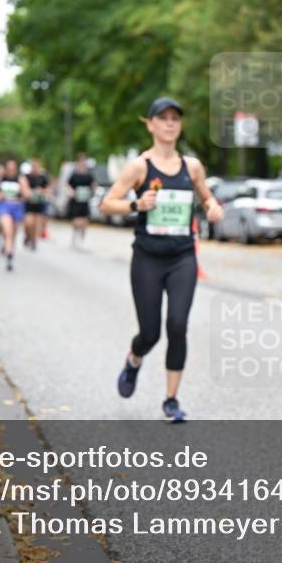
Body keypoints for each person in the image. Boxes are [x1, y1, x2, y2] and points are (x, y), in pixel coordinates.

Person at [101, 97, 224, 422]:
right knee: (151, 333)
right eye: (163, 118)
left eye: (175, 118)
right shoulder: (139, 166)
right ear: (151, 124)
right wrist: (135, 206)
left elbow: (206, 195)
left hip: (182, 256)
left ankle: (171, 399)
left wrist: (212, 206)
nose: (170, 123)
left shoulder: (192, 166)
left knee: (178, 325)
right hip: (147, 258)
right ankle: (134, 358)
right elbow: (107, 203)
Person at [0, 159, 30, 272]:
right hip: (5, 206)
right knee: (7, 230)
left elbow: (27, 195)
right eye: (9, 168)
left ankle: (10, 251)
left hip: (17, 206)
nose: (10, 170)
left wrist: (22, 190)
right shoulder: (1, 178)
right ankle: (9, 254)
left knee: (13, 232)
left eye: (13, 168)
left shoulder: (20, 179)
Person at [67, 152, 98, 248]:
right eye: (81, 161)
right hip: (76, 200)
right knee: (76, 220)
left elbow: (94, 184)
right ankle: (75, 235)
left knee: (84, 220)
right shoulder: (74, 174)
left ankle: (81, 237)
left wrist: (94, 189)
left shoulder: (89, 175)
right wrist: (71, 192)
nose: (82, 163)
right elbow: (68, 185)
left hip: (85, 200)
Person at [24, 159, 50, 250]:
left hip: (39, 203)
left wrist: (42, 191)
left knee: (37, 224)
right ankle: (28, 236)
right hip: (29, 204)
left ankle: (34, 242)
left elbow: (48, 189)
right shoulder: (27, 177)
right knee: (28, 223)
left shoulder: (43, 177)